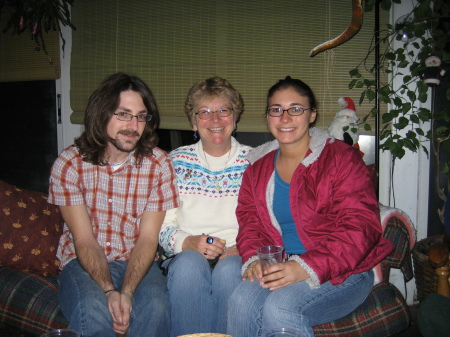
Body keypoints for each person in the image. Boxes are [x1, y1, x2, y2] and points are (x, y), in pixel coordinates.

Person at [227, 76, 394, 337]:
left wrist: (306, 267)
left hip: (345, 270)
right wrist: (253, 258)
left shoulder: (341, 158)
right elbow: (250, 221)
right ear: (267, 116)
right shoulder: (256, 168)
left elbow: (360, 225)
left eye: (296, 109)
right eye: (276, 110)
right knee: (240, 303)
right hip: (282, 264)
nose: (285, 117)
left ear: (312, 115)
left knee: (279, 308)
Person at [48, 72, 179, 337]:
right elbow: (84, 239)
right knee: (93, 309)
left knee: (156, 307)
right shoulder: (70, 164)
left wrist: (127, 292)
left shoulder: (158, 164)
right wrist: (109, 290)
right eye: (123, 114)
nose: (134, 125)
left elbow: (148, 239)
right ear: (102, 114)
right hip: (83, 260)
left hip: (137, 259)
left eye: (141, 116)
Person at [159, 76, 252, 336]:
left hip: (239, 256)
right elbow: (162, 226)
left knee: (231, 269)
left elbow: (267, 222)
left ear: (235, 118)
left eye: (224, 110)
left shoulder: (255, 161)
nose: (215, 119)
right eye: (205, 112)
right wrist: (187, 242)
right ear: (193, 121)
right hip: (183, 258)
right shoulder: (173, 162)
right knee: (189, 264)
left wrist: (240, 247)